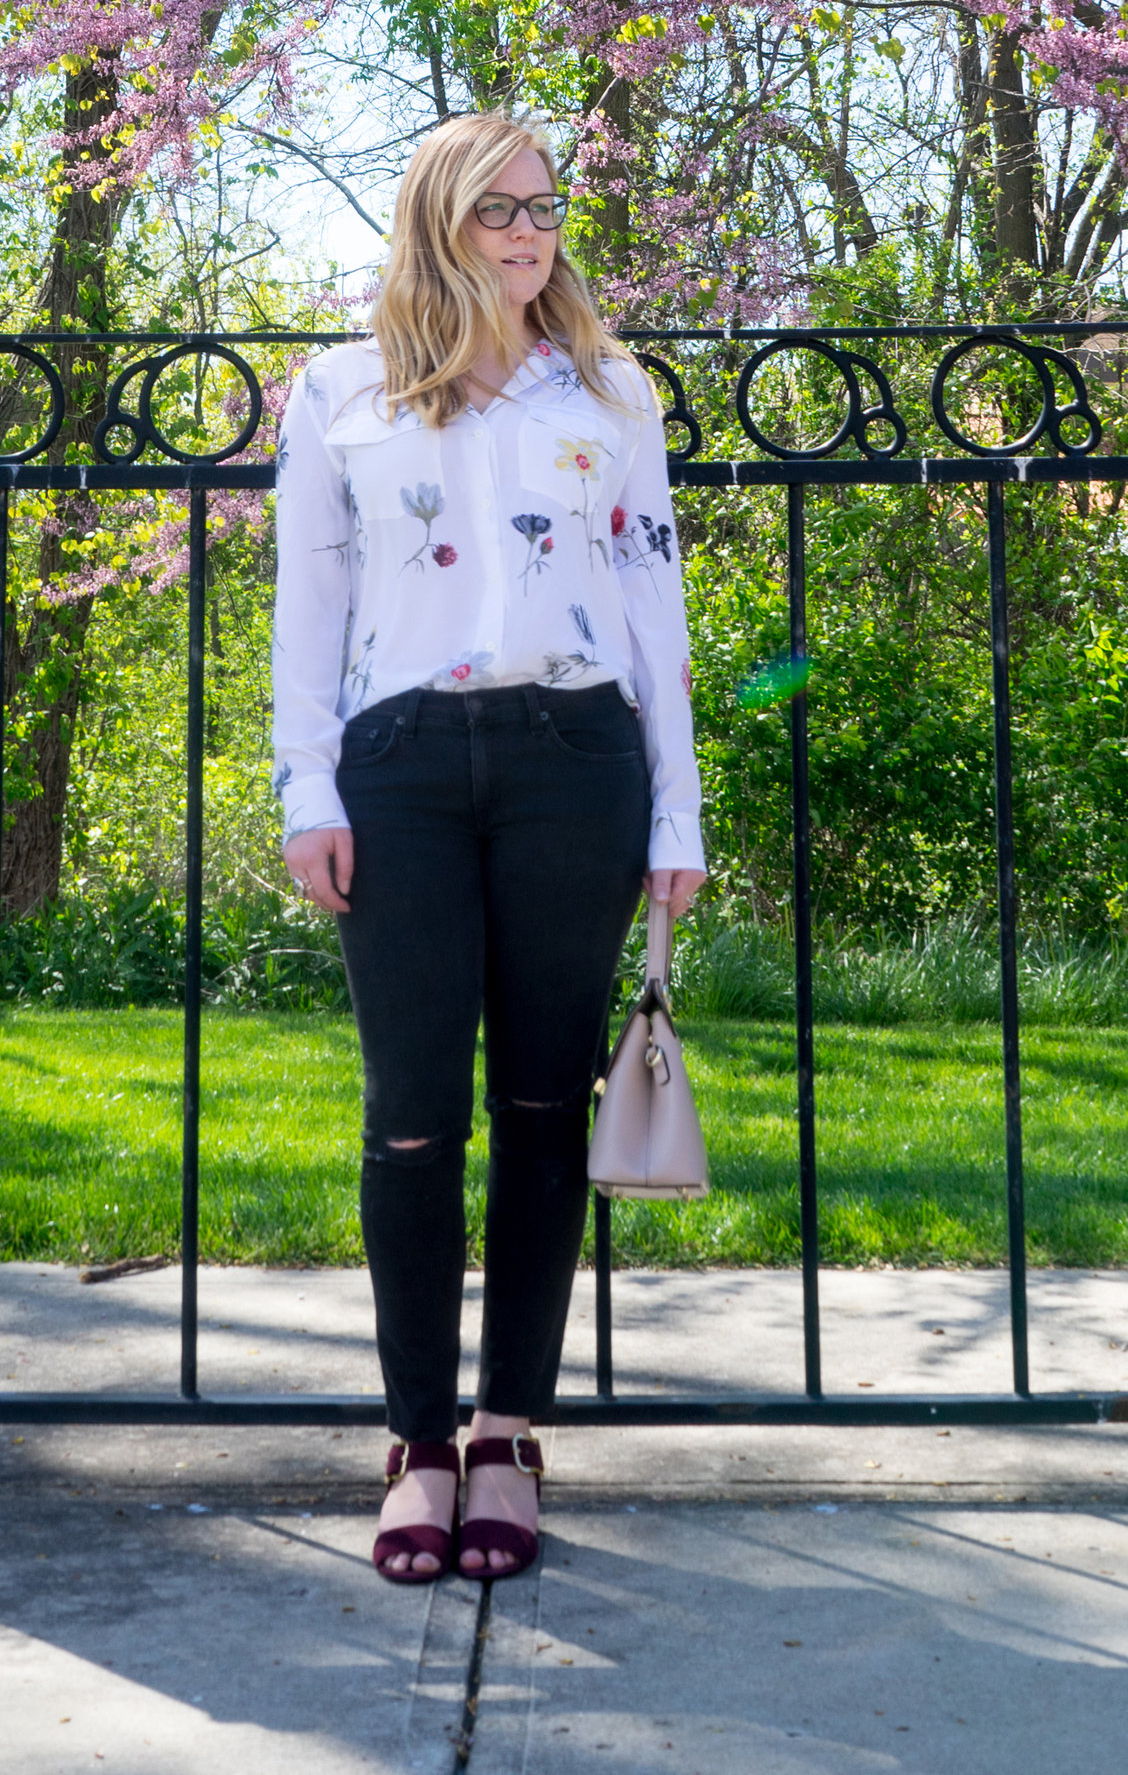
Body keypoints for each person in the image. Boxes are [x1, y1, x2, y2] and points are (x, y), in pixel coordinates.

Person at [273, 113, 705, 1585]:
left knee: (539, 1104)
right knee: (410, 1112)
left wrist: (677, 810)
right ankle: (416, 1443)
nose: (529, 232)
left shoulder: (607, 390)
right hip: (395, 770)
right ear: (437, 221)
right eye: (495, 209)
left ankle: (508, 1432)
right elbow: (308, 607)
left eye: (546, 206)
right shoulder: (340, 390)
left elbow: (656, 606)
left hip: (575, 760)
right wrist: (305, 788)